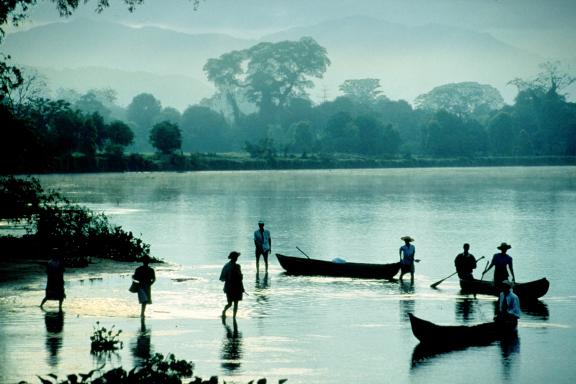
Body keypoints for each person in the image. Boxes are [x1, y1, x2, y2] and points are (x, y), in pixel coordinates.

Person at [220, 251, 245, 319]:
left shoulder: (227, 266)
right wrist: (242, 288)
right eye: (236, 257)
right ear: (235, 258)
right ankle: (233, 317)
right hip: (235, 287)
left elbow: (222, 278)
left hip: (230, 287)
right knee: (234, 304)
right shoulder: (236, 266)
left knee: (230, 304)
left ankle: (226, 313)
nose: (236, 258)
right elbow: (240, 278)